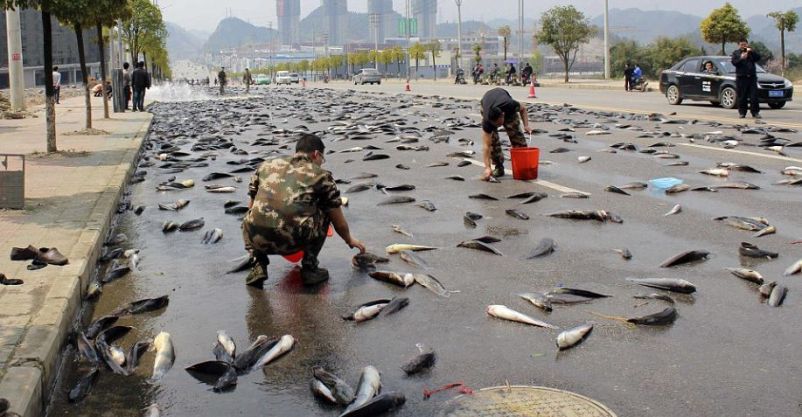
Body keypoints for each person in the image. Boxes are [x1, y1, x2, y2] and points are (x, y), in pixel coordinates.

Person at [242, 133, 366, 288]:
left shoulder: (265, 166)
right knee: (326, 209)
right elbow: (338, 220)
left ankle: (258, 265)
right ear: (316, 154)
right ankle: (310, 268)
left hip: (257, 239)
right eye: (322, 159)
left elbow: (251, 206)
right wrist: (349, 239)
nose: (321, 163)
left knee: (252, 216)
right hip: (293, 240)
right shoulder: (321, 175)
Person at [479, 87, 532, 180]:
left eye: (500, 124)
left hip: (504, 104)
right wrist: (487, 167)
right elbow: (486, 146)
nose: (499, 127)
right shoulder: (487, 121)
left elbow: (523, 109)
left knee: (517, 137)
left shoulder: (510, 105)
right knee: (493, 142)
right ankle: (499, 166)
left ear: (503, 116)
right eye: (496, 126)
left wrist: (526, 125)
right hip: (487, 104)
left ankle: (522, 167)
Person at [731, 39, 761, 119]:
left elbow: (758, 58)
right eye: (742, 44)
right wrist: (741, 58)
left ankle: (755, 112)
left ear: (747, 44)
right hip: (741, 78)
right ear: (739, 45)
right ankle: (742, 113)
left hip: (752, 77)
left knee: (754, 96)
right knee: (742, 96)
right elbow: (734, 63)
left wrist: (751, 51)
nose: (743, 46)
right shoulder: (736, 53)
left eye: (745, 44)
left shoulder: (750, 52)